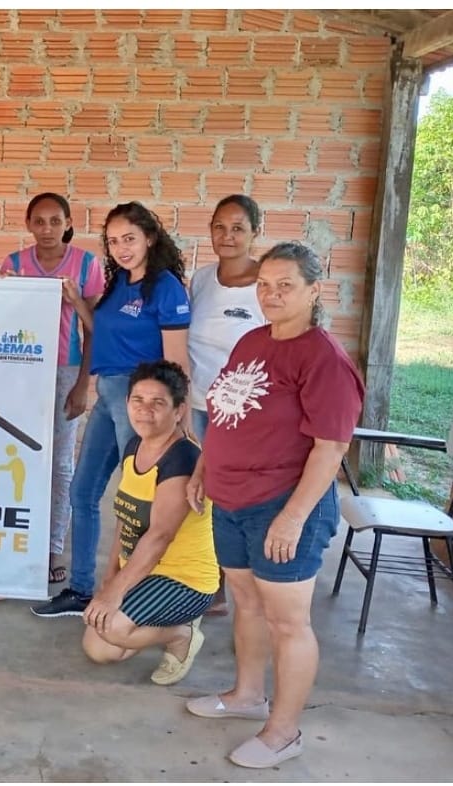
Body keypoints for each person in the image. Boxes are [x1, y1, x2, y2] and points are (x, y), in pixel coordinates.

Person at [184, 241, 364, 769]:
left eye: (286, 285)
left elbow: (331, 449)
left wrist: (291, 518)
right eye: (264, 284)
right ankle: (246, 696)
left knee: (288, 622)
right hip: (231, 498)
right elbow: (223, 414)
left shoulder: (323, 359)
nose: (272, 294)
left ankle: (284, 732)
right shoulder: (251, 341)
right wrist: (203, 467)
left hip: (283, 506)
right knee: (247, 603)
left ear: (314, 290)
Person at [32, 202, 191, 618]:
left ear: (150, 239)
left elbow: (177, 363)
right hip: (109, 393)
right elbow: (101, 329)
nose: (122, 248)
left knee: (137, 503)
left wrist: (177, 418)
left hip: (141, 401)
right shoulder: (120, 281)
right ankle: (82, 590)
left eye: (130, 239)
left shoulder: (166, 287)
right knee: (84, 492)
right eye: (114, 241)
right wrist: (77, 304)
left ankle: (130, 595)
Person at [81, 361, 218, 687]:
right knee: (98, 647)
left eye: (158, 403)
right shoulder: (134, 446)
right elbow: (125, 519)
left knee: (113, 628)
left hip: (184, 579)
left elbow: (159, 536)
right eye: (137, 400)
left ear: (179, 410)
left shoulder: (182, 458)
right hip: (144, 568)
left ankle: (182, 633)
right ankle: (151, 625)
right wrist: (111, 575)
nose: (145, 411)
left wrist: (116, 593)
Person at [0, 192, 105, 585]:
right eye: (39, 222)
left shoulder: (86, 265)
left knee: (60, 464)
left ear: (67, 223)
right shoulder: (12, 265)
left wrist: (83, 385)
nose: (47, 230)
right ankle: (15, 538)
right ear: (28, 224)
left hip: (65, 370)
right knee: (16, 458)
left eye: (55, 221)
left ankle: (52, 546)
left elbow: (96, 328)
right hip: (18, 370)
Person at [187, 194, 268, 617]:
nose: (228, 236)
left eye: (238, 228)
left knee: (233, 499)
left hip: (243, 415)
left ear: (255, 231)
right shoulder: (201, 279)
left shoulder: (267, 284)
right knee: (200, 495)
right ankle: (204, 582)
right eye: (220, 227)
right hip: (199, 404)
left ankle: (234, 584)